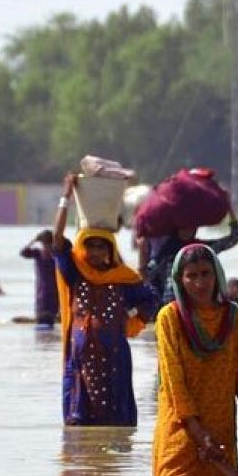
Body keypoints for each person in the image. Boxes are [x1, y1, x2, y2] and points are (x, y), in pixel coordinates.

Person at [152, 244, 238, 476]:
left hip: (220, 428)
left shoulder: (233, 317)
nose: (199, 283)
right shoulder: (169, 318)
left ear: (217, 275)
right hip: (180, 431)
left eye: (206, 274)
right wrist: (198, 432)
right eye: (191, 276)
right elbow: (174, 382)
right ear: (180, 281)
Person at [53, 173, 159, 427]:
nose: (96, 252)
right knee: (79, 431)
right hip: (80, 363)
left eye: (102, 247)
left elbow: (151, 299)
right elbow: (56, 241)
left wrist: (132, 321)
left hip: (115, 362)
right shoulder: (76, 274)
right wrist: (65, 197)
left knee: (117, 426)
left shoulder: (123, 279)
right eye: (91, 246)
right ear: (83, 248)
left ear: (111, 250)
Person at [141, 211, 238, 305]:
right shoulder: (167, 252)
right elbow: (147, 275)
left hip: (198, 304)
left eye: (191, 226)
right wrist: (142, 254)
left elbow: (233, 238)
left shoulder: (201, 249)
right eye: (183, 227)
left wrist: (230, 211)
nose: (187, 230)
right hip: (173, 304)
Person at [20, 229, 60, 327]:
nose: (46, 247)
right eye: (44, 244)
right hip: (42, 291)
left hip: (56, 290)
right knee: (41, 319)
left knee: (54, 318)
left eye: (48, 244)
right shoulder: (38, 253)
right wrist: (34, 240)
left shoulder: (57, 255)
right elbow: (23, 252)